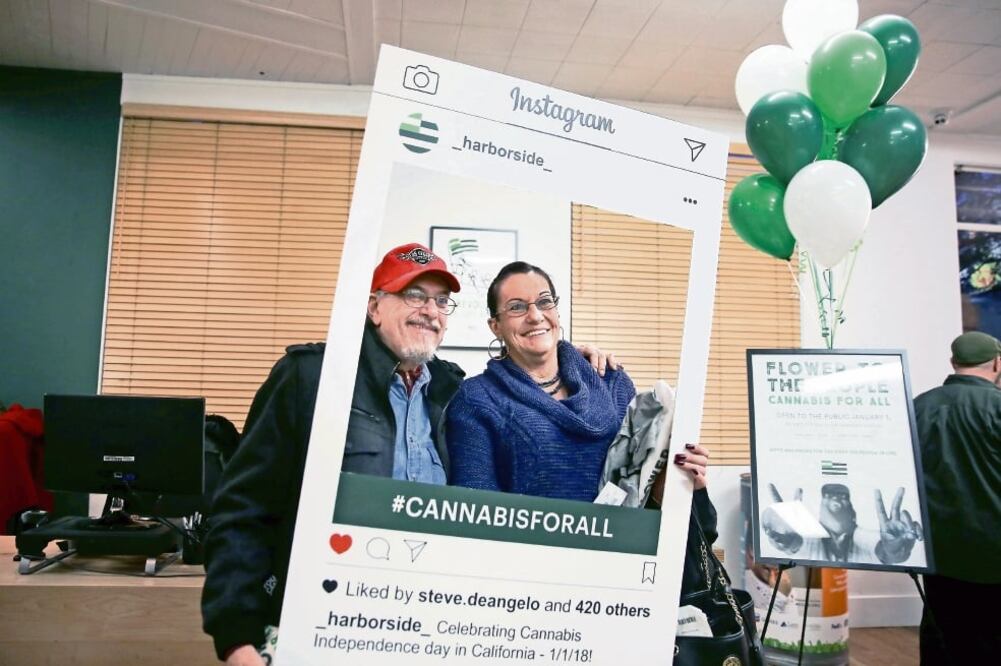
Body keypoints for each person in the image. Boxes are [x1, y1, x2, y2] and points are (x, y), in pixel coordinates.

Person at [202, 245, 616, 665]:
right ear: (374, 307)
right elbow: (241, 510)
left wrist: (574, 362)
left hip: (418, 630)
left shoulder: (452, 390)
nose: (430, 311)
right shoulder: (311, 377)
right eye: (414, 295)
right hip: (317, 625)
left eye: (441, 300)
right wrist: (237, 640)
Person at [444, 260, 716, 598]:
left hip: (626, 582)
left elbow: (641, 495)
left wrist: (679, 478)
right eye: (516, 307)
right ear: (495, 326)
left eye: (544, 302)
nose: (535, 315)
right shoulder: (475, 400)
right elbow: (475, 514)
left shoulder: (613, 381)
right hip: (534, 589)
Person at [913, 331, 1001, 665]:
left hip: (938, 550)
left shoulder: (920, 406)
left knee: (942, 634)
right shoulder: (997, 407)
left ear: (953, 363)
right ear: (997, 362)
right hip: (994, 551)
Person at [761, 482, 922, 565]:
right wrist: (782, 534)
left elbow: (885, 553)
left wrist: (894, 548)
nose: (836, 499)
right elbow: (793, 545)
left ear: (853, 512)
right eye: (829, 496)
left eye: (843, 497)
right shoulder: (810, 537)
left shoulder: (862, 537)